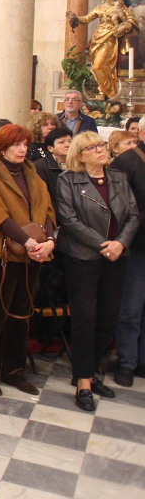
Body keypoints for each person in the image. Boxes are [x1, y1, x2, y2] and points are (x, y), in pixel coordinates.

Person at [0, 124, 56, 396]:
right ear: (1, 147)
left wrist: (48, 241)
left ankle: (15, 371)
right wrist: (29, 242)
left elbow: (48, 211)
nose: (22, 149)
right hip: (3, 254)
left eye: (25, 144)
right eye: (16, 145)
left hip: (33, 254)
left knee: (22, 315)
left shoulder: (32, 173)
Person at [56, 131, 139, 410]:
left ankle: (91, 372)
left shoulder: (118, 177)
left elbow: (133, 215)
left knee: (107, 318)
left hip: (116, 257)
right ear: (80, 156)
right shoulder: (68, 180)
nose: (100, 150)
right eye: (92, 148)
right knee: (85, 319)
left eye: (101, 145)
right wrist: (104, 245)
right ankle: (83, 382)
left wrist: (120, 243)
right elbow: (68, 220)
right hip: (83, 258)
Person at [111, 120, 145, 387]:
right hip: (135, 246)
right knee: (131, 308)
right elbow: (120, 208)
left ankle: (142, 360)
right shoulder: (126, 161)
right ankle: (126, 361)